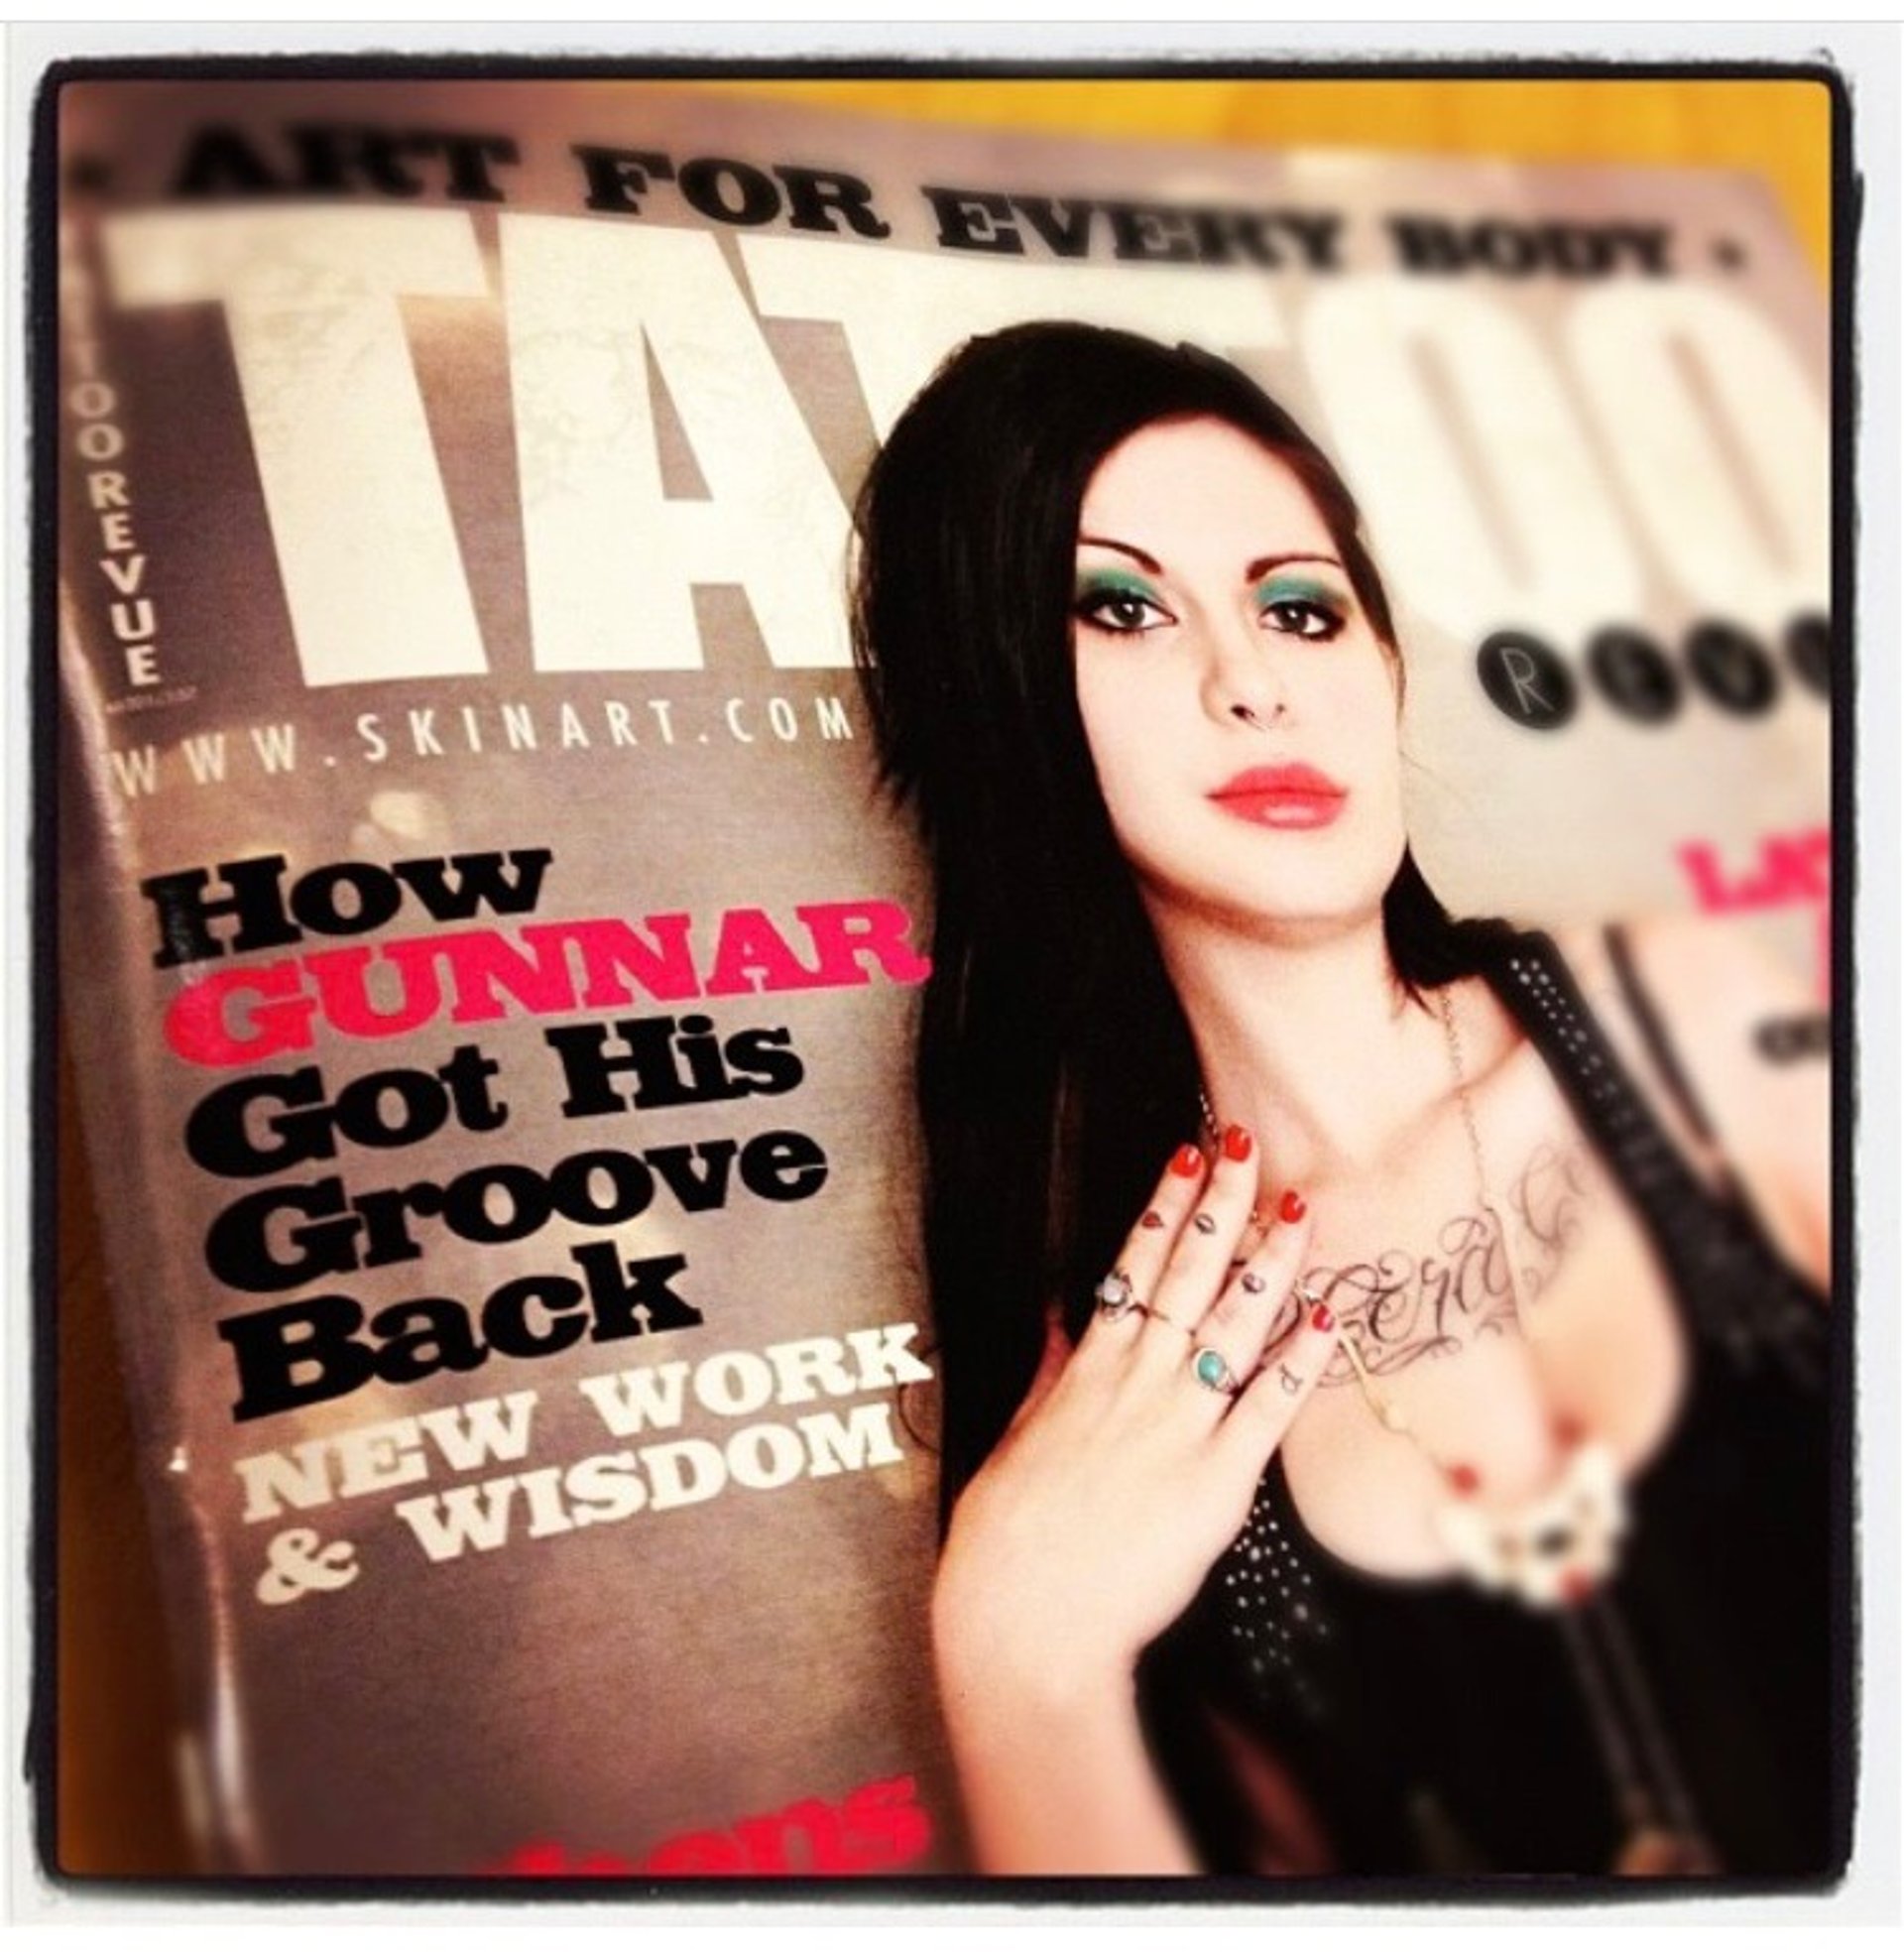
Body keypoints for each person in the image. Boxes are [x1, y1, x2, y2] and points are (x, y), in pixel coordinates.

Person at [849, 322, 1835, 1879]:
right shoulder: (1128, 1373)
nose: (1253, 684)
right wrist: (1019, 1673)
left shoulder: (1689, 1027)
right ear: (999, 702)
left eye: (1300, 609)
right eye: (1121, 609)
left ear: (1385, 670)